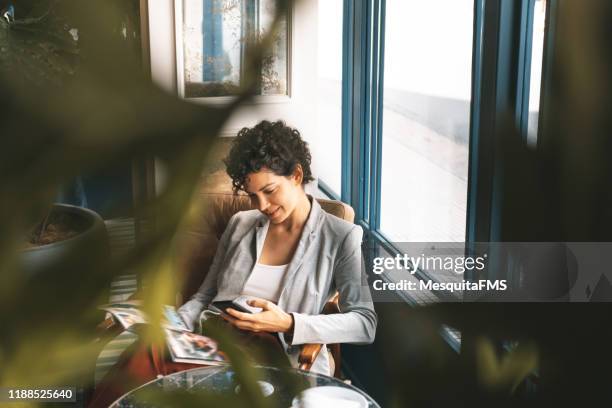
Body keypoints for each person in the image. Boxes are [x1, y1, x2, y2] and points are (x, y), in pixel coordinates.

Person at [178, 120, 377, 375]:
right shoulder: (240, 224)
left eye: (269, 191)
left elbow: (364, 323)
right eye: (252, 195)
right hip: (218, 351)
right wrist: (171, 327)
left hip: (285, 364)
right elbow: (204, 297)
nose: (261, 205)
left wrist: (290, 323)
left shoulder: (341, 236)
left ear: (296, 175)